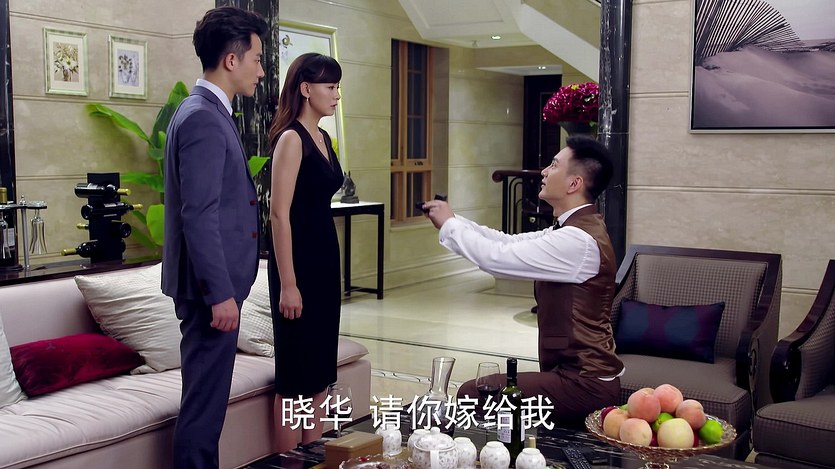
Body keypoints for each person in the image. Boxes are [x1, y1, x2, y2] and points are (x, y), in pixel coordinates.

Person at [421, 136, 624, 425]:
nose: (544, 171)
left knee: (474, 394)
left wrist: (450, 224)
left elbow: (497, 258)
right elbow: (505, 242)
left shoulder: (577, 241)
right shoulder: (570, 230)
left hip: (584, 383)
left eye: (554, 165)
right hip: (574, 375)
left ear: (574, 184)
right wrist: (453, 220)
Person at [161, 6, 267, 468]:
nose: (261, 71)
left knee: (206, 406)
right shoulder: (203, 117)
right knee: (203, 411)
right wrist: (220, 294)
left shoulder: (204, 111)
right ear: (231, 59)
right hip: (209, 294)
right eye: (257, 60)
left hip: (212, 290)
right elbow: (198, 215)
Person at [267, 53, 344, 453]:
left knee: (318, 373)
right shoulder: (291, 139)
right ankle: (287, 462)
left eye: (337, 87)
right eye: (330, 87)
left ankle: (313, 455)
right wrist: (289, 284)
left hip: (325, 262)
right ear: (306, 89)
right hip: (297, 268)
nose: (336, 95)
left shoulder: (324, 138)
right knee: (295, 377)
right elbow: (278, 214)